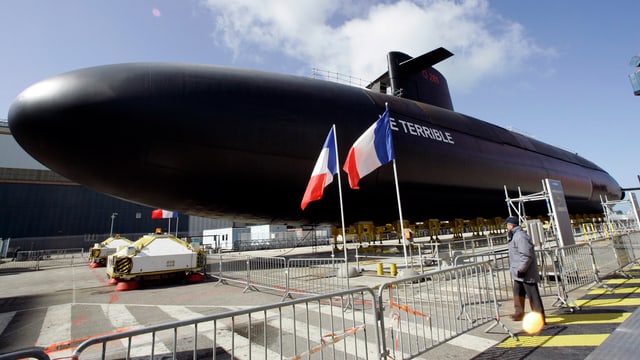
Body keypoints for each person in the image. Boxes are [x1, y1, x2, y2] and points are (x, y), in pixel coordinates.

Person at [505, 216, 545, 323]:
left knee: (533, 296)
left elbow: (527, 255)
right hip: (518, 272)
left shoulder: (521, 237)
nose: (506, 228)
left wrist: (522, 269)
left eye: (507, 225)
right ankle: (519, 313)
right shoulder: (514, 236)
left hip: (525, 272)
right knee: (518, 293)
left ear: (511, 225)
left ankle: (539, 318)